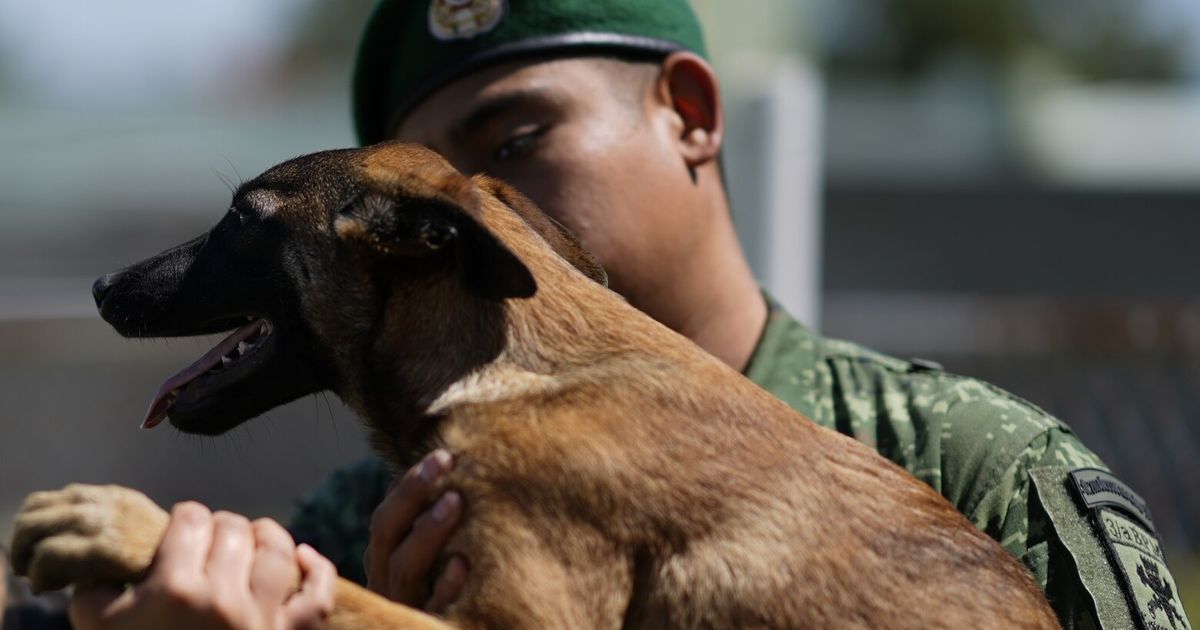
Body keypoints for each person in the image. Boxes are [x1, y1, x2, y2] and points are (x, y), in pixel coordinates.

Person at [288, 1, 1194, 628]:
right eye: (420, 212)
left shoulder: (973, 468)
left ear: (688, 114)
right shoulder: (378, 528)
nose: (472, 221)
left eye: (516, 143)